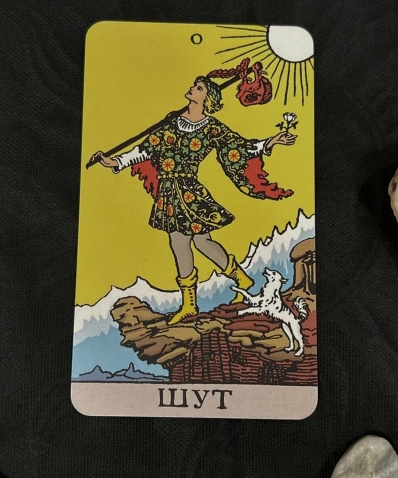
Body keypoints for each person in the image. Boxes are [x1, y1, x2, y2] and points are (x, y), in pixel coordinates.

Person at [95, 76, 296, 324]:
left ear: (207, 98)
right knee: (198, 241)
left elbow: (239, 148)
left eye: (199, 88)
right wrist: (115, 161)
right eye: (194, 85)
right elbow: (146, 149)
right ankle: (239, 280)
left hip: (188, 191)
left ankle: (193, 303)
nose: (192, 88)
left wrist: (269, 142)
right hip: (168, 191)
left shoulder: (212, 128)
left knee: (186, 242)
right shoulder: (172, 121)